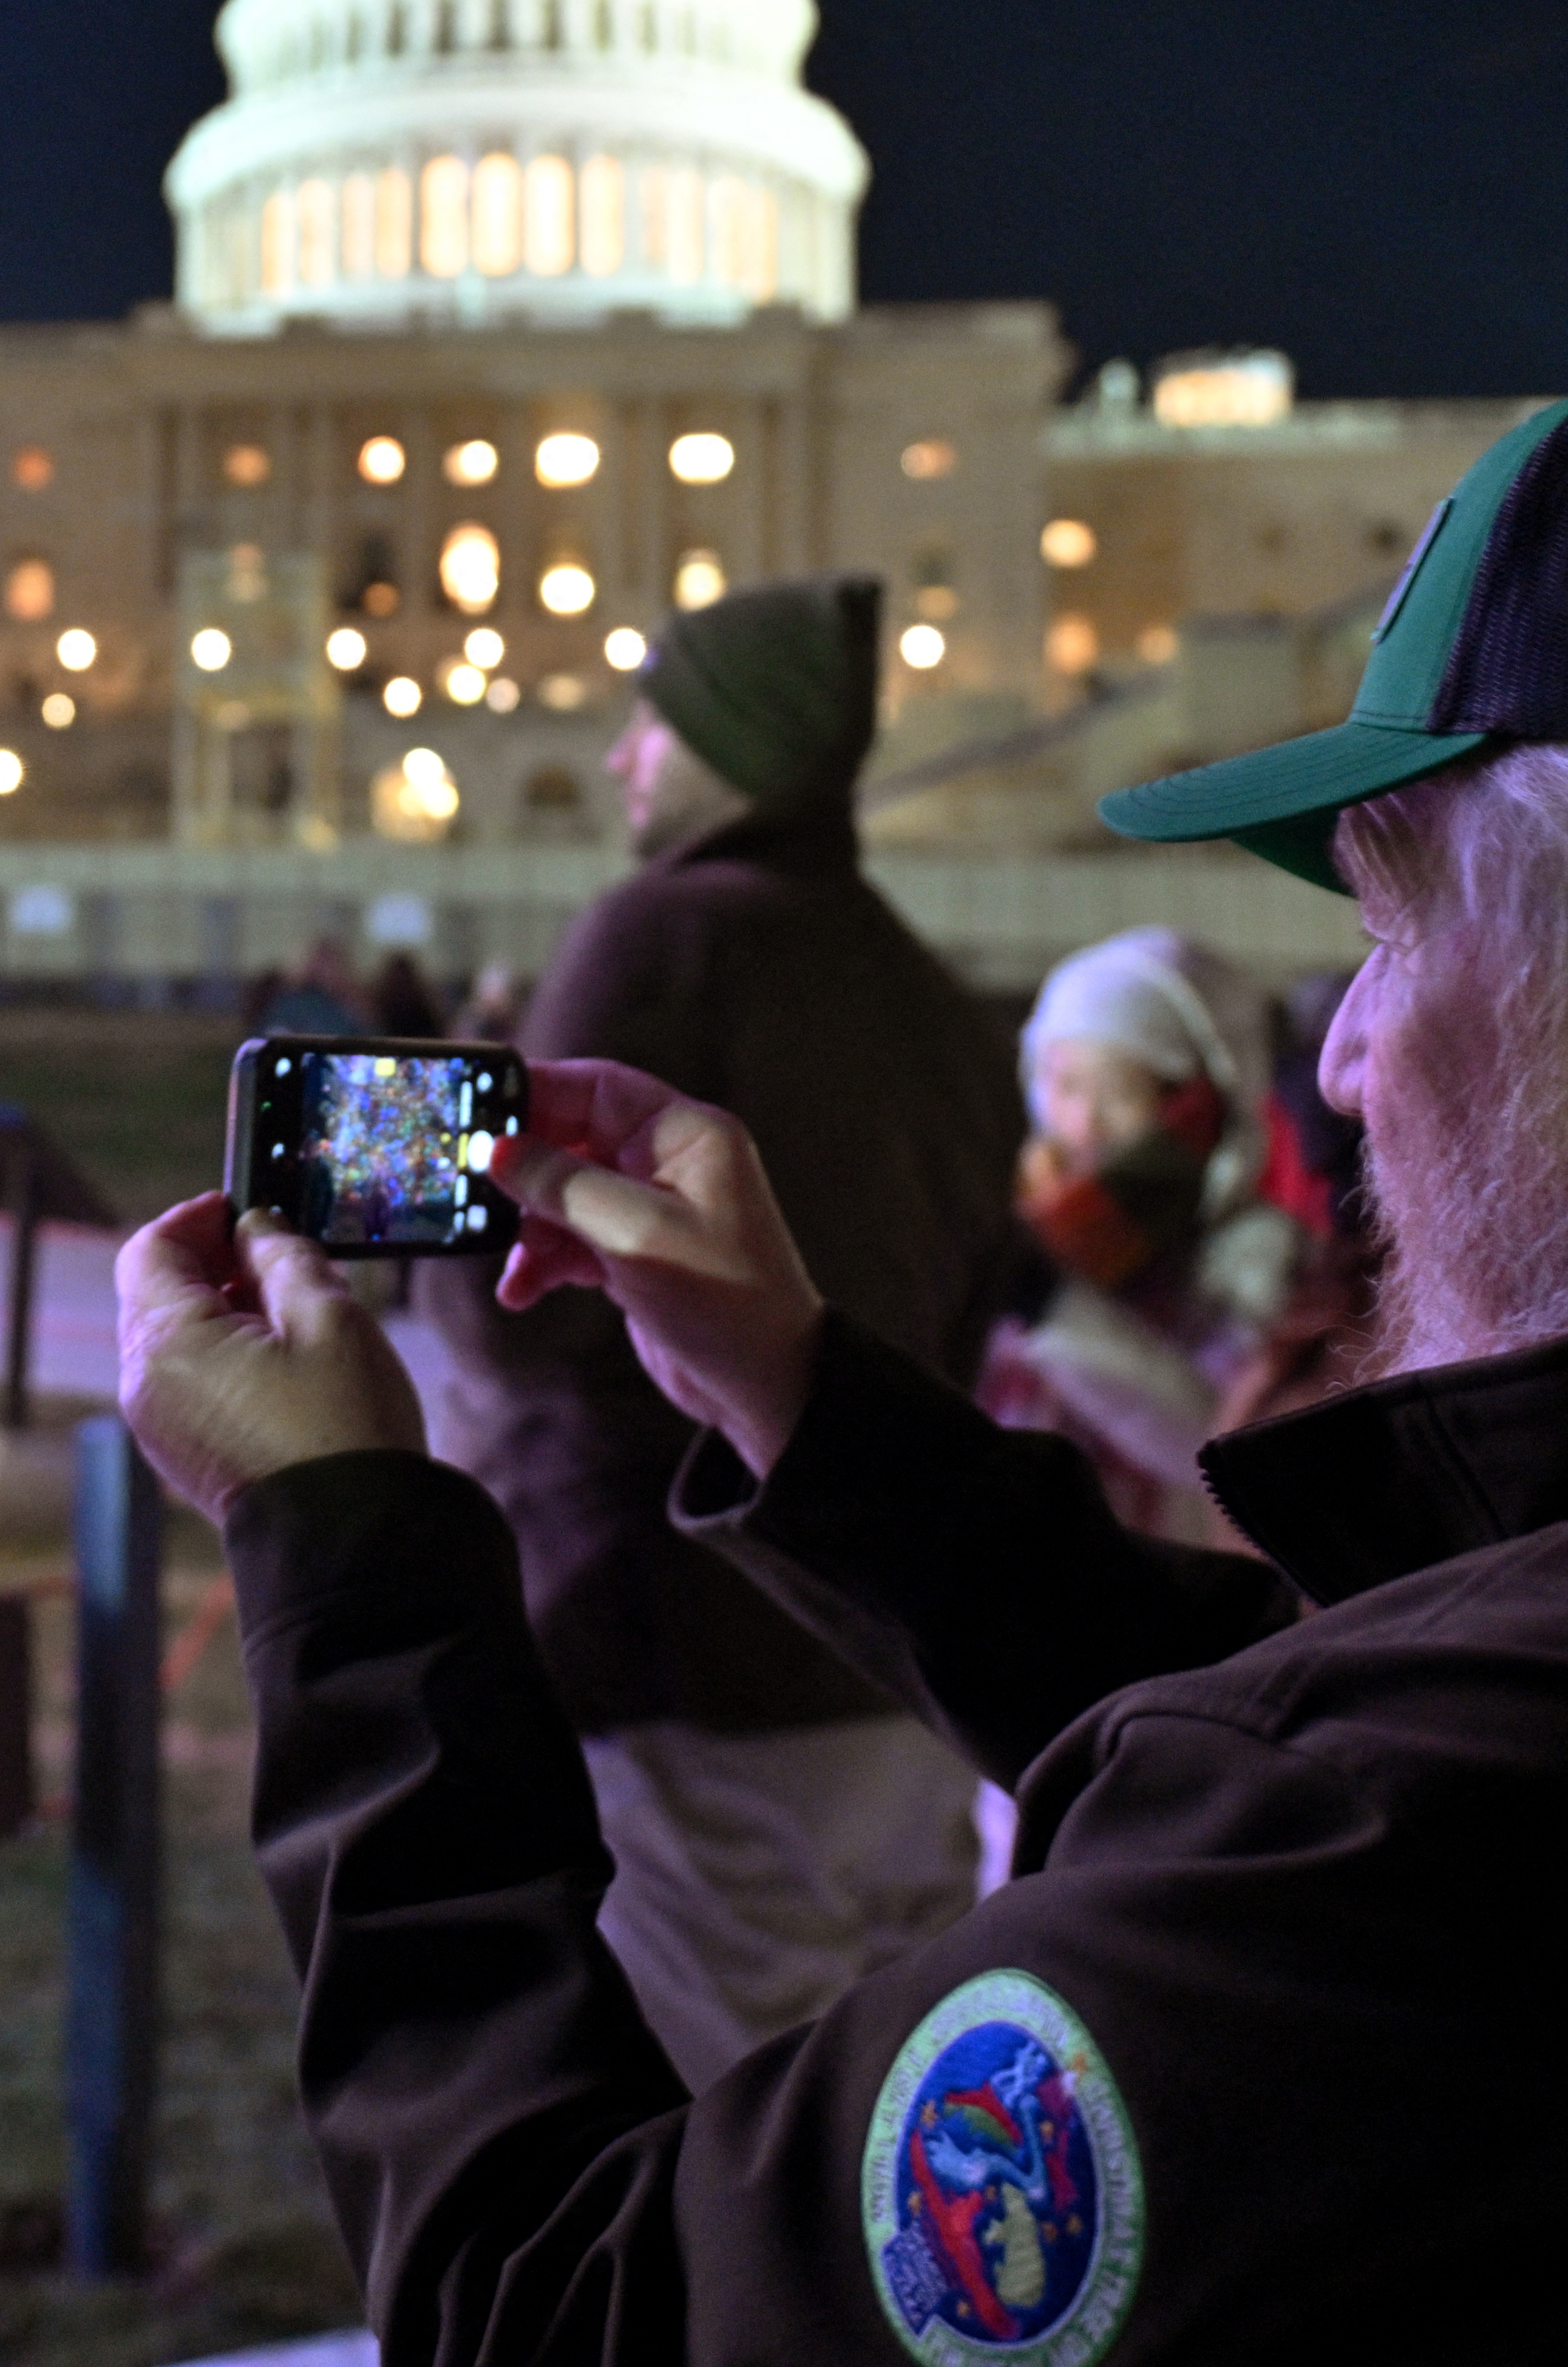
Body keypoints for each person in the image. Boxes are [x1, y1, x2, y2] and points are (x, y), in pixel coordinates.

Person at [117, 341, 1568, 2356]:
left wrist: (344, 1548)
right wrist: (807, 1399)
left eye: (1388, 934)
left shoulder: (1557, 1814)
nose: (1340, 1054)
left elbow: (573, 2307)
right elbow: (1370, 1730)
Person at [408, 573, 1033, 2082]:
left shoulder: (657, 939)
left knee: (720, 2176)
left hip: (680, 1652)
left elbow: (503, 1320)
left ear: (730, 747)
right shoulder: (923, 986)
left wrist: (422, 1258)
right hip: (898, 1670)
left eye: (654, 720)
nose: (621, 756)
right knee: (900, 2174)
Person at [978, 928, 1305, 1544]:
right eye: (1064, 1085)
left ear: (1198, 1104)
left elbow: (1219, 1440)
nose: (1082, 1122)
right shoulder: (1026, 1222)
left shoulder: (1253, 1255)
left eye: (1120, 1093)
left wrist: (1053, 1306)